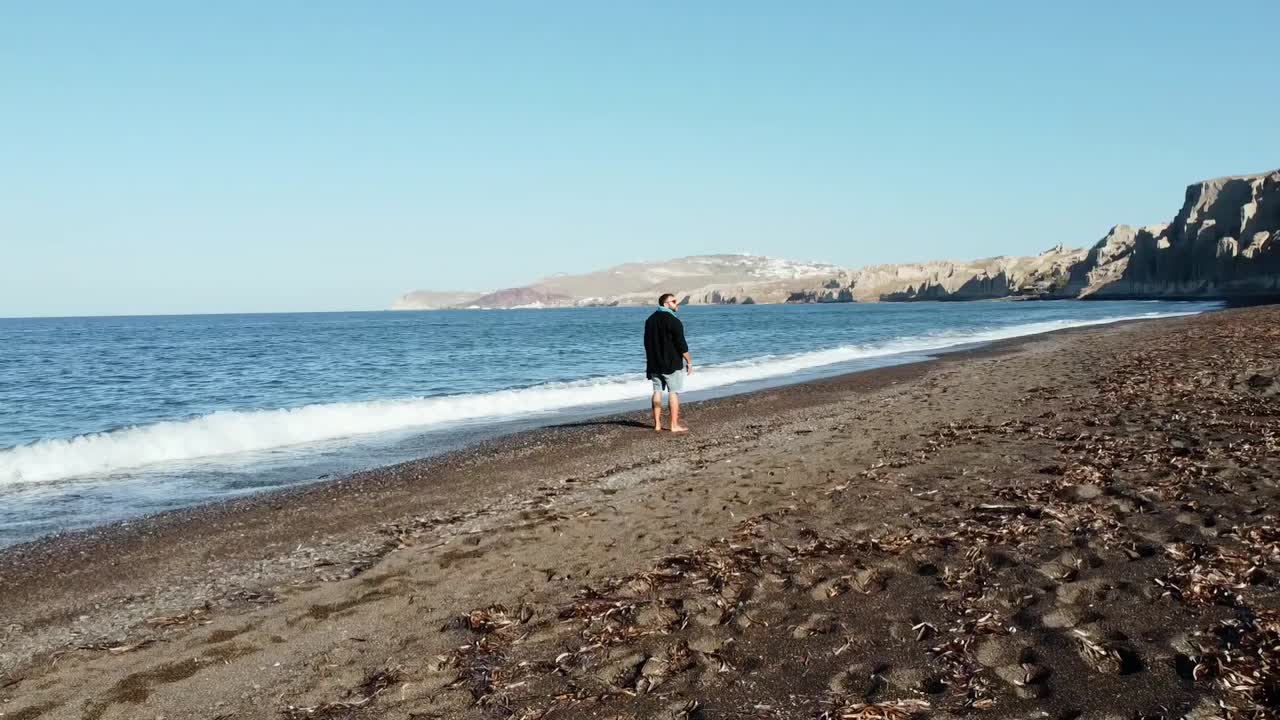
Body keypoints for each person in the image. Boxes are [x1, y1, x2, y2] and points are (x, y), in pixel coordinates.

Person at [644, 293, 692, 432]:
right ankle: (674, 425)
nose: (677, 303)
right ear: (666, 304)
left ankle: (657, 425)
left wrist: (649, 362)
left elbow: (647, 343)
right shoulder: (674, 320)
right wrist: (689, 361)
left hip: (654, 363)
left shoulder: (650, 320)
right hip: (671, 363)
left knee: (657, 391)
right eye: (673, 301)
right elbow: (681, 344)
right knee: (673, 392)